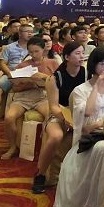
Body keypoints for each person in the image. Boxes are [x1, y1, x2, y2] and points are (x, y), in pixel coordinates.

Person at [53, 47, 104, 207]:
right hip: (89, 140)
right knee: (103, 149)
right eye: (103, 64)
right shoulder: (80, 90)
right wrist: (96, 87)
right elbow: (87, 114)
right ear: (94, 64)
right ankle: (97, 203)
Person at [32, 41, 87, 193]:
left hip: (79, 113)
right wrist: (66, 119)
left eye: (82, 53)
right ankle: (41, 174)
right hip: (59, 114)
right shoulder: (55, 78)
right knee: (56, 136)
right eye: (77, 53)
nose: (81, 56)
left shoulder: (85, 73)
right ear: (67, 57)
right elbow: (54, 106)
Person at [2, 36, 58, 159]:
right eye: (31, 52)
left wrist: (43, 77)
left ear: (43, 49)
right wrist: (29, 83)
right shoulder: (22, 65)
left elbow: (57, 84)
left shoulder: (52, 63)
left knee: (50, 116)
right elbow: (15, 88)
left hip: (42, 97)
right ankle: (12, 147)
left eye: (36, 51)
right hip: (23, 98)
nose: (33, 55)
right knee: (9, 117)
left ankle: (44, 147)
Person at [0, 23, 34, 128]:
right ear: (20, 33)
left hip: (29, 74)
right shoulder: (9, 47)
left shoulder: (34, 47)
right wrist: (10, 74)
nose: (30, 34)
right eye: (27, 31)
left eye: (31, 32)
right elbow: (2, 64)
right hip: (11, 73)